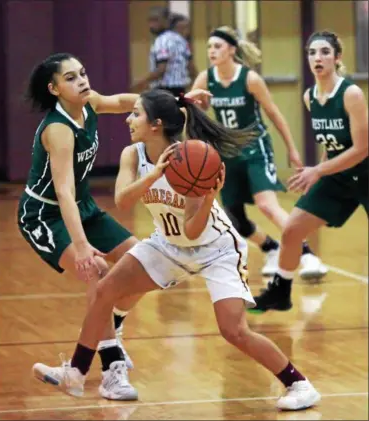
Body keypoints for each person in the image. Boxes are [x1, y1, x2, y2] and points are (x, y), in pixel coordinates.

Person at [32, 88, 321, 411]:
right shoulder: (134, 154)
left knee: (234, 331)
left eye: (136, 114)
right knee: (104, 290)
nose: (129, 118)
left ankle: (299, 384)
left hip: (216, 249)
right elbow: (123, 200)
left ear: (155, 124)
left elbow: (192, 229)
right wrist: (155, 174)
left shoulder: (193, 156)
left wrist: (210, 197)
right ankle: (76, 372)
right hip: (167, 244)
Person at [18, 52, 144, 400]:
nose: (82, 81)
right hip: (45, 215)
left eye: (83, 73)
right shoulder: (58, 130)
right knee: (98, 274)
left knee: (142, 261)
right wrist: (83, 246)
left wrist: (174, 102)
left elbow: (120, 101)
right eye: (71, 78)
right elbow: (63, 191)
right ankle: (112, 370)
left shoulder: (89, 105)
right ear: (54, 88)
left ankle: (109, 325)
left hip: (82, 207)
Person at [192, 26, 328, 279]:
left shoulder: (249, 79)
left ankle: (308, 255)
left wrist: (292, 149)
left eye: (217, 46)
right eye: (209, 47)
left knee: (267, 205)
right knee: (235, 219)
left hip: (256, 148)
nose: (212, 51)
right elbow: (194, 112)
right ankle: (272, 249)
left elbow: (274, 114)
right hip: (227, 152)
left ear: (232, 50)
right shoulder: (205, 79)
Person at [252, 30, 368, 312]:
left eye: (325, 52)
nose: (318, 58)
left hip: (365, 171)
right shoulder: (310, 97)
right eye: (312, 52)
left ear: (337, 57)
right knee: (292, 230)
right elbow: (333, 145)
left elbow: (362, 148)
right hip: (339, 175)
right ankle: (280, 293)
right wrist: (316, 174)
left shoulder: (351, 93)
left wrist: (317, 170)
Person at [131, 6, 194, 97]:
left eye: (156, 20)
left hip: (164, 90)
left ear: (166, 21)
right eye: (150, 21)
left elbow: (161, 69)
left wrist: (141, 83)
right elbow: (191, 67)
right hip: (181, 90)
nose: (152, 25)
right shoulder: (181, 40)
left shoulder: (162, 40)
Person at [170, 13, 198, 84]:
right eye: (181, 28)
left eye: (187, 28)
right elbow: (190, 67)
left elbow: (190, 66)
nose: (186, 31)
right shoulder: (170, 44)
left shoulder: (186, 43)